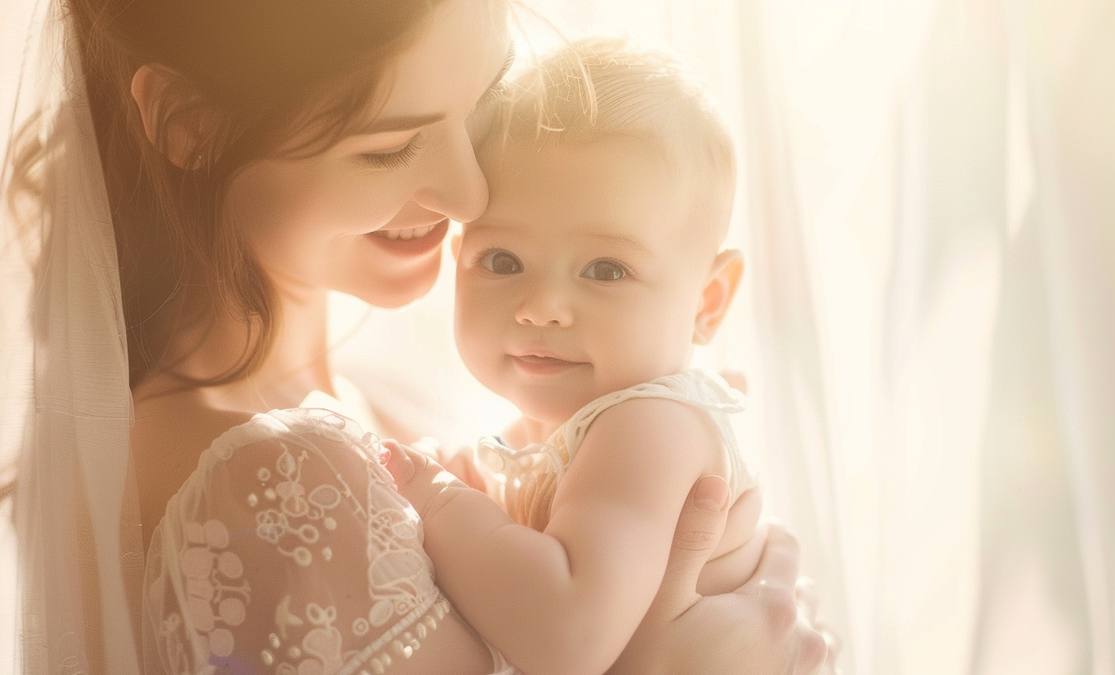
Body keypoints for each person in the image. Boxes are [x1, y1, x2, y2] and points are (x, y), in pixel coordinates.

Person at [2, 0, 832, 672]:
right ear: (190, 124)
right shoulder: (276, 477)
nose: (472, 195)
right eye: (392, 146)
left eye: (477, 111)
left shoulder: (402, 405)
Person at [383, 39, 769, 674]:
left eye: (606, 269)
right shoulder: (539, 438)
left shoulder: (652, 428)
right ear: (460, 262)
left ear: (708, 301)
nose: (541, 307)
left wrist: (437, 497)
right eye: (502, 261)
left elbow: (567, 638)